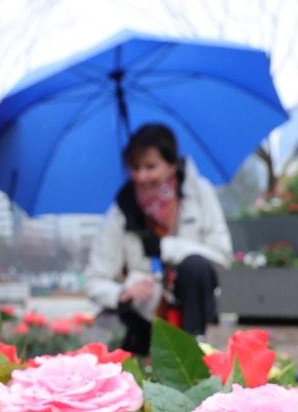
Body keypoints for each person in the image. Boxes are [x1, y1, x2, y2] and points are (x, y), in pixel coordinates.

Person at [85, 123, 232, 355]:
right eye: (135, 167)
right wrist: (122, 293)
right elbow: (95, 280)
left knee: (195, 266)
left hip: (192, 305)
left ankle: (195, 349)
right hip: (144, 316)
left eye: (150, 166)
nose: (142, 176)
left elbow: (222, 255)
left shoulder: (199, 194)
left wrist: (165, 248)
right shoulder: (121, 212)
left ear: (171, 164)